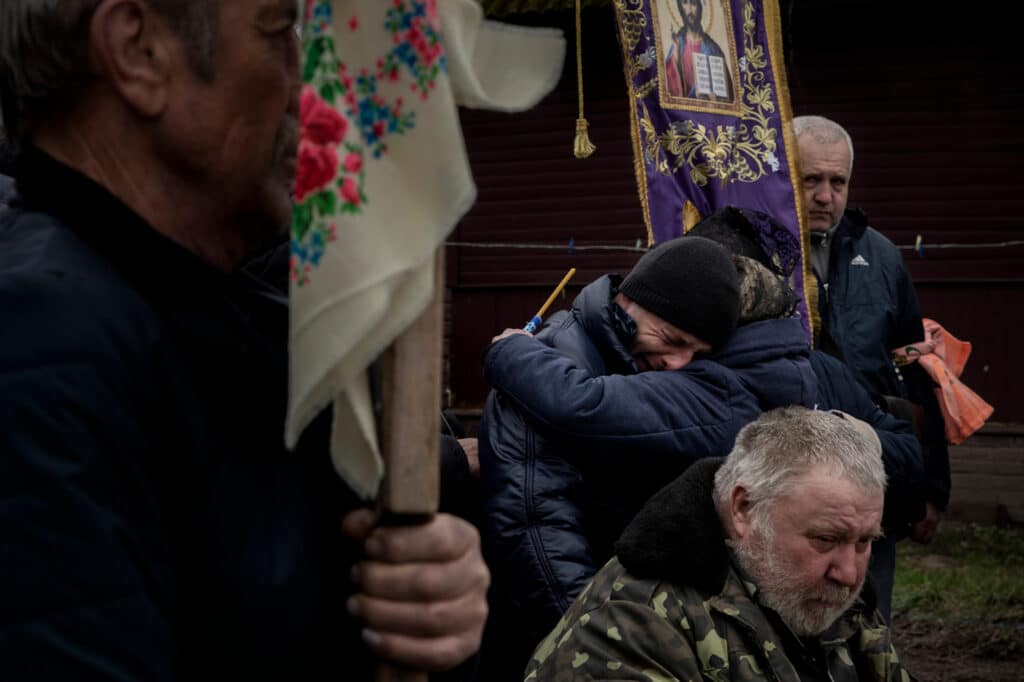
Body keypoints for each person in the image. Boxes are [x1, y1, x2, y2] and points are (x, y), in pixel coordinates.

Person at [0, 1, 488, 679]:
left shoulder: (231, 323)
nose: (315, 81)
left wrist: (423, 596)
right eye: (280, 31)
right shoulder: (40, 352)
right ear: (139, 52)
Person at [477, 233, 818, 679]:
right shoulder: (551, 367)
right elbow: (536, 523)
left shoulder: (623, 362)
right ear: (630, 302)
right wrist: (591, 630)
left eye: (695, 352)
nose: (678, 363)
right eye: (671, 338)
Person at [526, 406, 915, 681]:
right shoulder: (630, 625)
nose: (848, 574)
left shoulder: (822, 597)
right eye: (826, 539)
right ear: (744, 508)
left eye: (866, 542)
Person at [795, 114, 950, 619]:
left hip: (872, 467)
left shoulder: (881, 257)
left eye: (836, 182)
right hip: (791, 469)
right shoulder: (760, 254)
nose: (825, 196)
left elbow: (918, 367)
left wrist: (932, 485)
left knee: (868, 613)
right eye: (810, 180)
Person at [664, 0, 734, 100]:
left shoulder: (714, 50)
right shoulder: (678, 43)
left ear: (700, 8)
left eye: (693, 3)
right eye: (685, 3)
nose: (689, 10)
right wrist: (675, 58)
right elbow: (667, 91)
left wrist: (715, 99)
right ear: (680, 8)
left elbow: (728, 97)